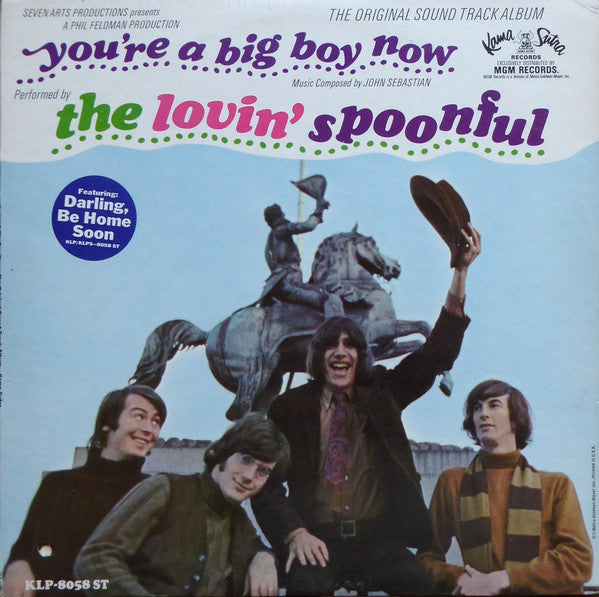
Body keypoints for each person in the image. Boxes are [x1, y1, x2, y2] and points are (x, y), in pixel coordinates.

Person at [251, 224, 481, 595]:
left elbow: (437, 351)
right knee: (306, 589)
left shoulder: (383, 393)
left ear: (361, 356)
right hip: (317, 540)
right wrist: (294, 534)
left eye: (350, 345)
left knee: (420, 584)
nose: (340, 352)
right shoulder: (289, 407)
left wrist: (461, 271)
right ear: (319, 356)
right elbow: (265, 483)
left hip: (378, 539)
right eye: (331, 345)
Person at [74, 414, 291, 596]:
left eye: (263, 471)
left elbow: (258, 548)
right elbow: (95, 557)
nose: (249, 476)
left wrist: (265, 558)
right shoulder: (166, 489)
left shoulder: (240, 522)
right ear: (224, 454)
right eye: (246, 459)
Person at [419, 380, 593, 595]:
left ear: (515, 418)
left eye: (494, 405)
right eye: (477, 408)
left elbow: (579, 560)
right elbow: (425, 558)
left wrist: (506, 579)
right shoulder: (452, 482)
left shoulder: (556, 485)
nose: (483, 414)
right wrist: (461, 579)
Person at [2, 385, 167, 597]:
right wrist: (17, 565)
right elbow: (25, 546)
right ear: (108, 422)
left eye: (155, 421)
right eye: (139, 416)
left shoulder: (154, 492)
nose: (149, 429)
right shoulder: (56, 484)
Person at [260, 176, 344, 318]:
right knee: (331, 300)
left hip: (280, 283)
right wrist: (318, 209)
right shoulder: (280, 230)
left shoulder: (272, 239)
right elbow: (308, 225)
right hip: (288, 282)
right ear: (279, 216)